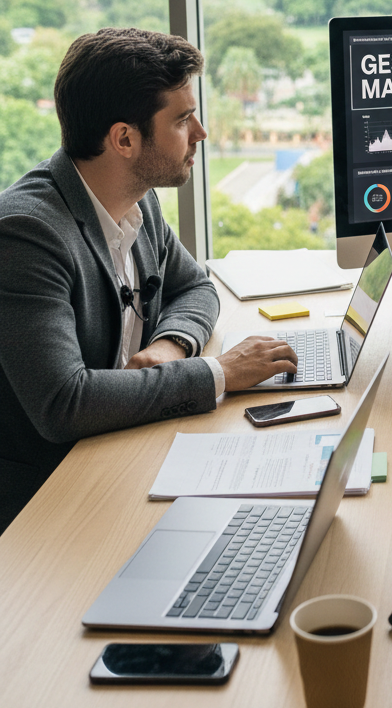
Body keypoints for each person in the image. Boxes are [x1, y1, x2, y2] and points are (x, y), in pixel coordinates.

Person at [0, 28, 298, 533]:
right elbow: (63, 405)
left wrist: (171, 345)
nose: (201, 132)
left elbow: (196, 287)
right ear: (124, 139)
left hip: (125, 447)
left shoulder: (137, 198)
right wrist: (219, 372)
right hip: (49, 502)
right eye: (182, 119)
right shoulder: (25, 235)